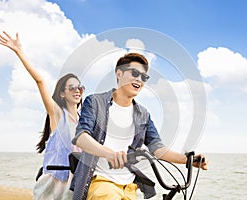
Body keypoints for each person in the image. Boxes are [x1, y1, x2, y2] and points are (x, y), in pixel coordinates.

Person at [70, 52, 209, 200]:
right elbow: (81, 138)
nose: (139, 79)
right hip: (101, 181)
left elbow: (158, 149)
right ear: (119, 74)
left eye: (144, 77)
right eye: (134, 73)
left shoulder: (143, 114)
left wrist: (188, 161)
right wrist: (109, 154)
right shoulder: (95, 102)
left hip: (129, 185)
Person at [0, 31, 85, 200]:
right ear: (61, 94)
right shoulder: (58, 115)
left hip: (77, 185)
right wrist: (19, 51)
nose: (77, 90)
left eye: (80, 87)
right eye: (71, 87)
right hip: (54, 186)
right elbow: (40, 81)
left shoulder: (84, 121)